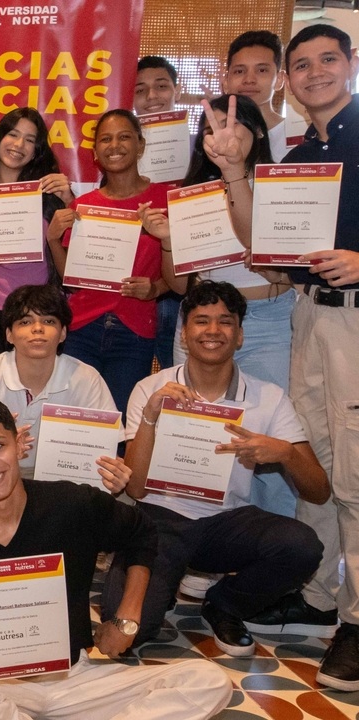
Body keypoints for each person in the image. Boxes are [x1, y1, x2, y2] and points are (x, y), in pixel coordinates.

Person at [0, 394, 232, 720]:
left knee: (208, 681)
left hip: (75, 678)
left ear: (20, 444)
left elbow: (142, 534)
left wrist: (127, 619)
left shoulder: (71, 504)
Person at [100, 280, 329, 657]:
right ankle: (161, 586)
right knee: (129, 629)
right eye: (201, 321)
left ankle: (225, 604)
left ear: (240, 335)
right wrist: (152, 418)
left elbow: (318, 491)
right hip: (159, 521)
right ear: (185, 333)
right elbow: (137, 490)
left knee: (301, 545)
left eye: (225, 322)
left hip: (226, 524)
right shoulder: (151, 388)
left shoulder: (268, 397)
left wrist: (285, 452)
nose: (213, 331)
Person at [146, 94, 298, 517]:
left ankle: (270, 544)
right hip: (201, 323)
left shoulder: (281, 185)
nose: (223, 138)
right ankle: (197, 541)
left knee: (268, 436)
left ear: (258, 134)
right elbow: (178, 284)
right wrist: (167, 241)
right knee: (194, 432)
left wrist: (277, 272)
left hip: (266, 322)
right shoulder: (189, 195)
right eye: (211, 131)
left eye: (234, 128)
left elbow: (287, 271)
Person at [280, 23, 359, 692]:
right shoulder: (304, 151)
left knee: (358, 473)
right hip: (310, 315)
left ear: (352, 63)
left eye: (327, 60)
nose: (314, 74)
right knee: (318, 458)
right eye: (301, 65)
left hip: (357, 323)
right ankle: (319, 596)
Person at [49, 110, 171, 413]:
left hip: (134, 330)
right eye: (105, 139)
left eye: (124, 137)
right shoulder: (83, 206)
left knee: (118, 421)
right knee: (73, 419)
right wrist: (52, 239)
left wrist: (154, 289)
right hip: (81, 328)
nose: (114, 145)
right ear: (95, 152)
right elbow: (70, 277)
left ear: (141, 145)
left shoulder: (166, 199)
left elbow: (180, 279)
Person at [0, 108, 74, 365]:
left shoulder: (51, 198)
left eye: (30, 140)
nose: (19, 145)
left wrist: (69, 202)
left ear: (37, 150)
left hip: (42, 315)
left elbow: (75, 266)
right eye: (13, 134)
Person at [0, 285, 116, 479]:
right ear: (9, 334)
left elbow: (102, 448)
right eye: (26, 322)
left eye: (48, 321)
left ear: (62, 333)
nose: (38, 328)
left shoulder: (87, 378)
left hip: (63, 480)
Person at [133, 56, 186, 369]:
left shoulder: (203, 150)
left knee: (178, 376)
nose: (152, 97)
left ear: (177, 91)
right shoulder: (120, 153)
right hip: (136, 292)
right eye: (141, 90)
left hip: (180, 291)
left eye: (161, 86)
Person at [224, 31, 292, 161]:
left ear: (279, 80)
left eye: (262, 70)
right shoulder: (214, 135)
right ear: (226, 81)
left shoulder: (298, 135)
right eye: (239, 71)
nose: (249, 79)